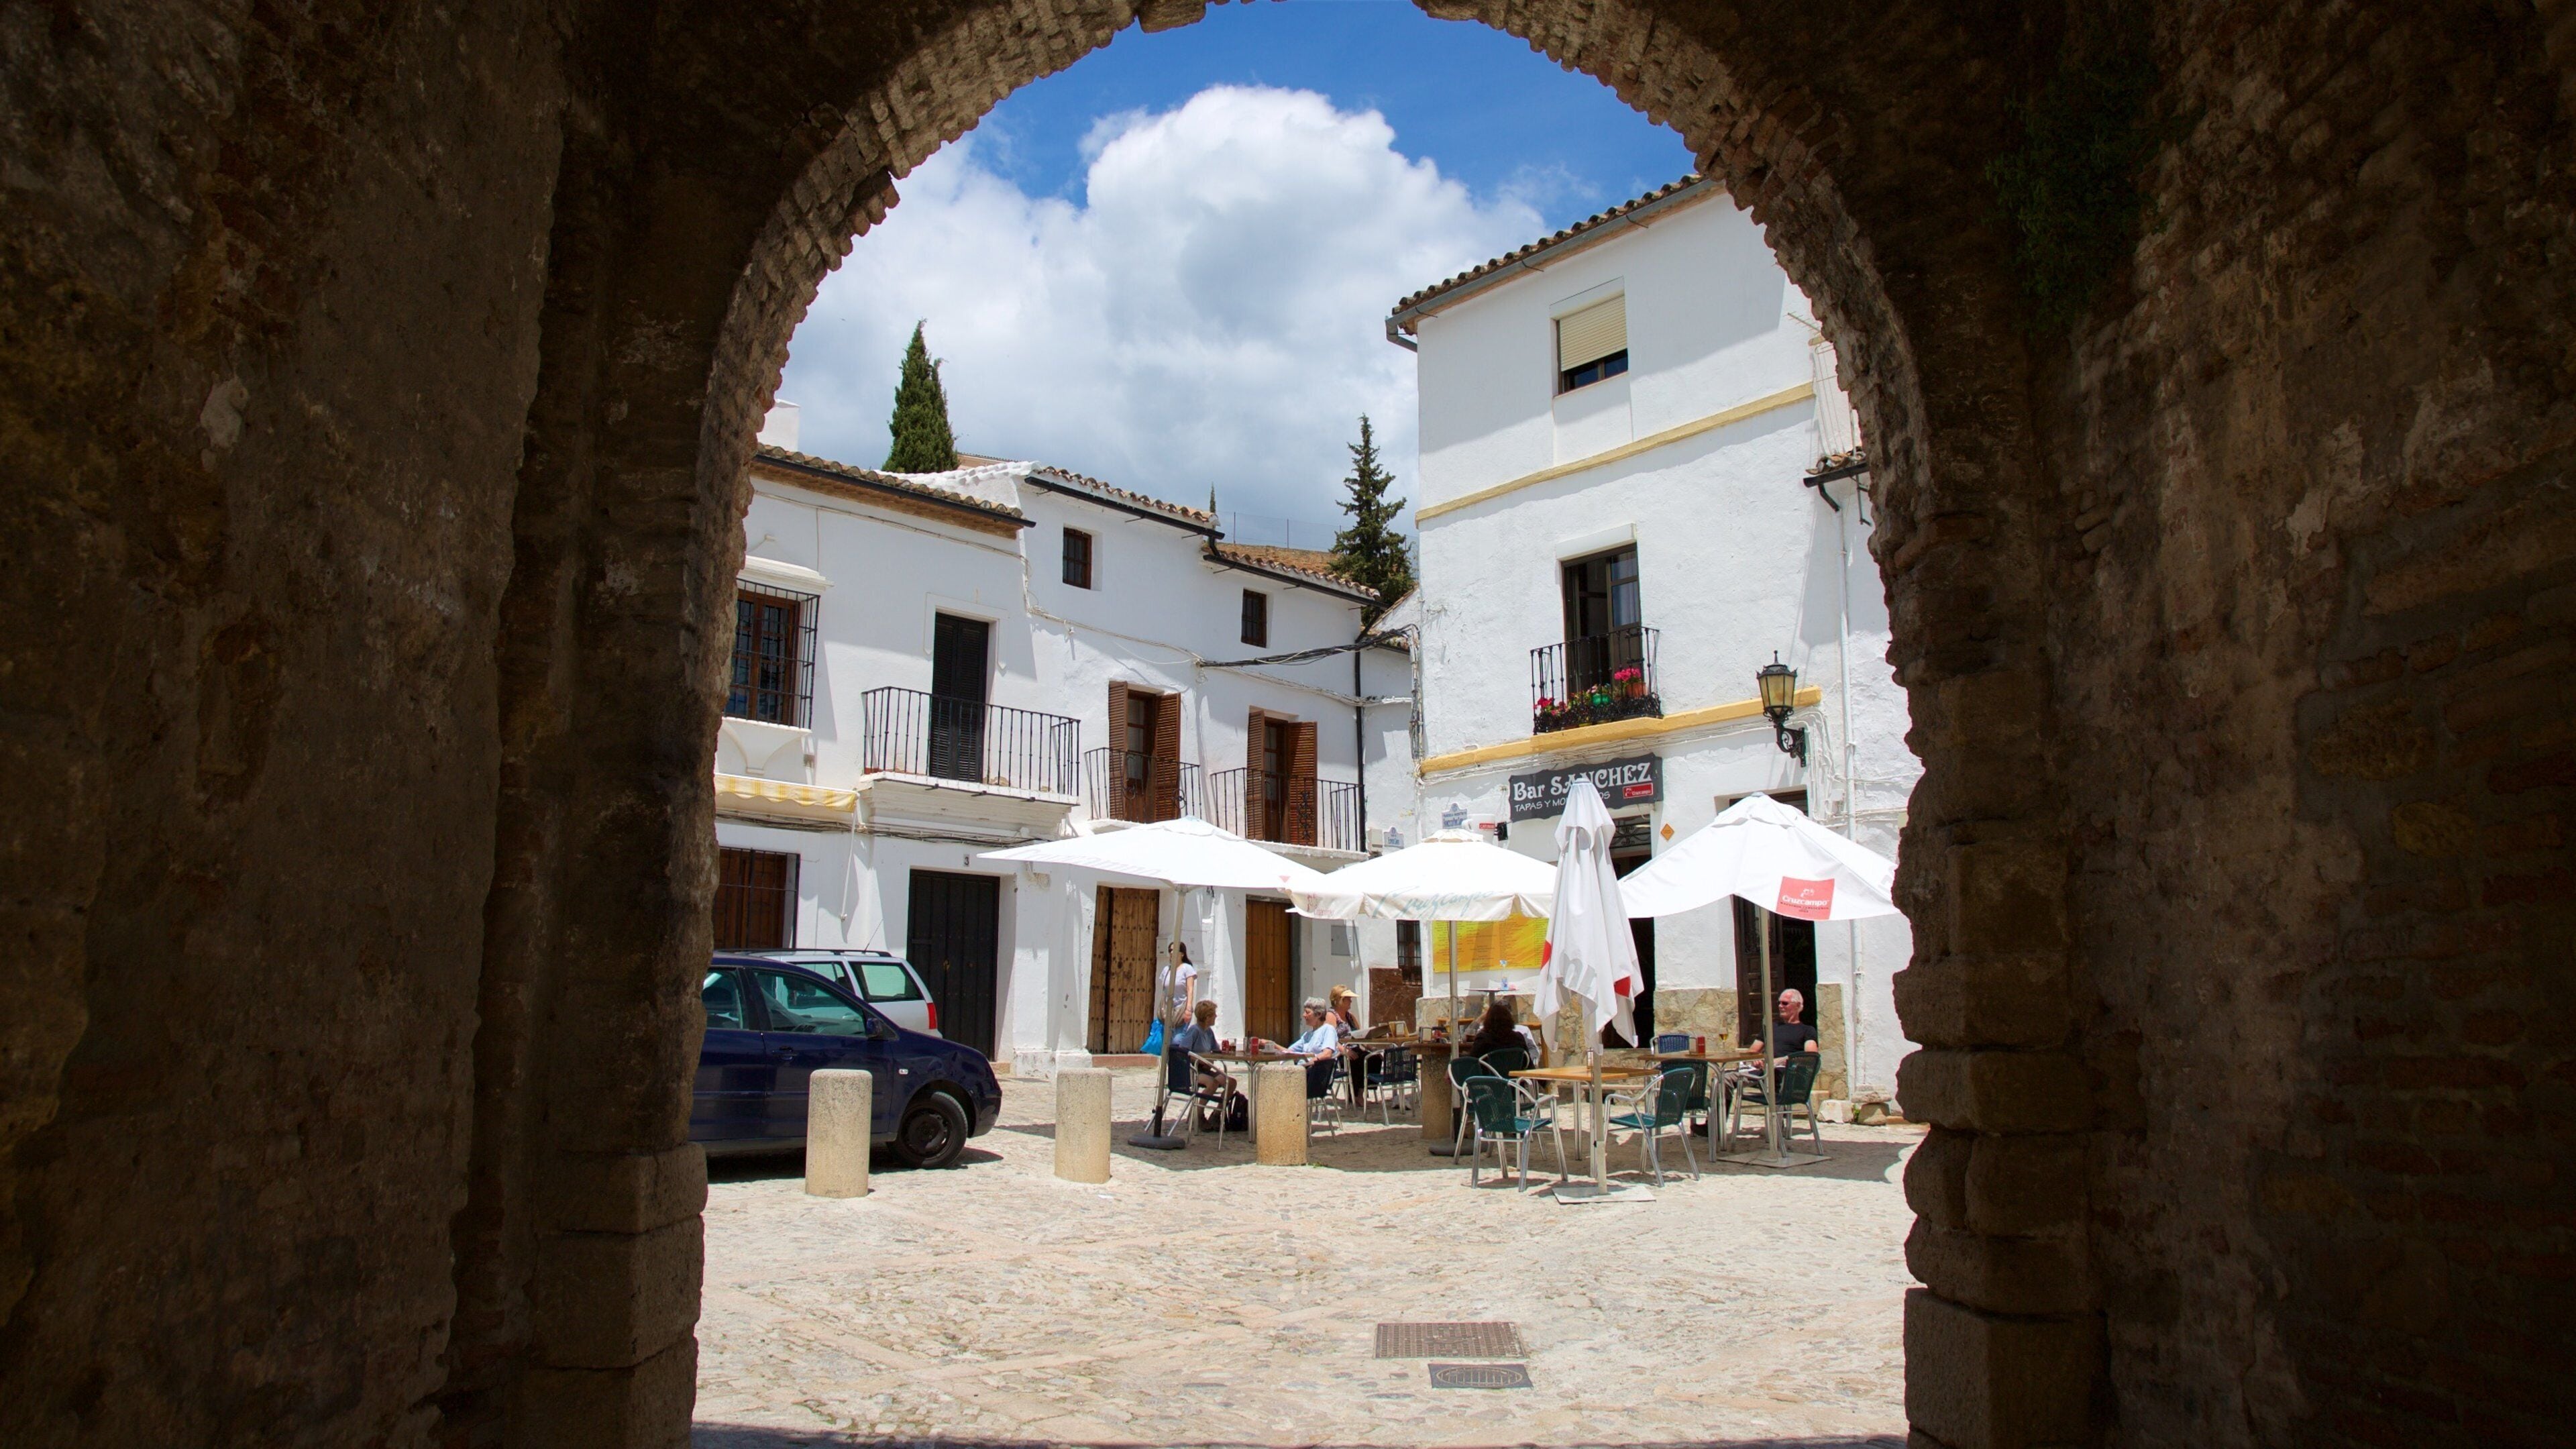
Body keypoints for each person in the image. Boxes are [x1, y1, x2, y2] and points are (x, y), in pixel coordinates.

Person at [1172, 999, 1232, 1097]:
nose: (1216, 1016)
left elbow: (1216, 1051)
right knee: (1213, 1083)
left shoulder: (1209, 1032)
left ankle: (1219, 1108)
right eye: (1214, 1014)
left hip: (1205, 1070)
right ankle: (1200, 1107)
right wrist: (1202, 1061)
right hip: (1192, 1071)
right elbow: (1182, 1053)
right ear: (1208, 1017)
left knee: (1231, 1083)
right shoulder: (1194, 1030)